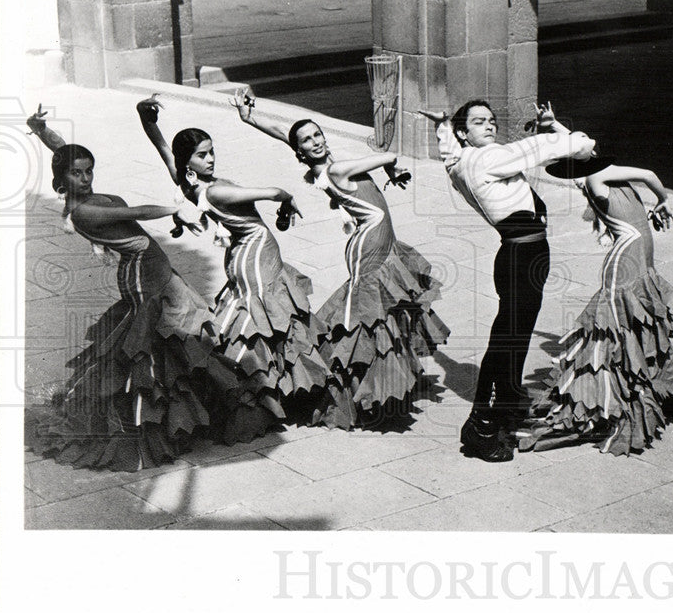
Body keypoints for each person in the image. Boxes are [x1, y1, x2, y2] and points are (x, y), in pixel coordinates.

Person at [25, 105, 265, 471]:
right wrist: (174, 210)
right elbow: (132, 212)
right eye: (77, 174)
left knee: (179, 344)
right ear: (62, 180)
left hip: (155, 272)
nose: (86, 178)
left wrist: (42, 131)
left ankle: (183, 419)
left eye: (89, 171)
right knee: (159, 350)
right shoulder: (84, 212)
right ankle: (156, 429)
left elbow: (63, 152)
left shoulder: (84, 195)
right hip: (144, 279)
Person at [230, 89, 449, 429]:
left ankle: (374, 386)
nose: (315, 141)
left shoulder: (329, 166)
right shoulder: (337, 171)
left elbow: (284, 135)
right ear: (300, 150)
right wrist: (390, 164)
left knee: (381, 315)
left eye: (317, 134)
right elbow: (388, 154)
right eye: (307, 140)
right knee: (368, 319)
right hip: (369, 246)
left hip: (378, 241)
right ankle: (354, 392)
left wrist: (251, 117)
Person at [136, 96, 337, 432]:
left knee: (259, 325)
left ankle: (275, 393)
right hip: (257, 255)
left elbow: (159, 143)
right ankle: (273, 399)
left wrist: (146, 115)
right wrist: (286, 199)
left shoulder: (185, 181)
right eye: (202, 155)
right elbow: (272, 192)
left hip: (241, 256)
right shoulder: (214, 193)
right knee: (271, 325)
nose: (211, 159)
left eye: (211, 151)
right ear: (189, 161)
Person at [421, 102, 597, 462]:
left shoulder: (460, 163)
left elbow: (449, 157)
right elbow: (543, 149)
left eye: (491, 121)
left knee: (511, 337)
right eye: (478, 122)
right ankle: (480, 427)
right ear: (464, 132)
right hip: (523, 258)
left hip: (517, 255)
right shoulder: (488, 158)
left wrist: (442, 128)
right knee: (506, 340)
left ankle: (506, 406)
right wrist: (579, 140)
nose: (489, 126)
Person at [516, 143, 673, 456]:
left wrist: (554, 126)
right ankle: (606, 405)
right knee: (611, 339)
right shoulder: (598, 176)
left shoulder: (599, 174)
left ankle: (629, 393)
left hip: (638, 261)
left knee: (632, 333)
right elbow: (650, 174)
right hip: (625, 265)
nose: (591, 143)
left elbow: (577, 146)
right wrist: (664, 200)